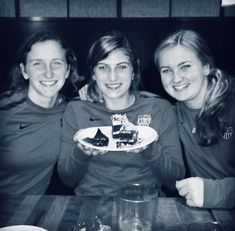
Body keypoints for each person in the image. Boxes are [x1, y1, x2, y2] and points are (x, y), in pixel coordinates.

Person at [57, 31, 185, 196]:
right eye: (103, 68)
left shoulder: (160, 109)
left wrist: (148, 147)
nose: (112, 77)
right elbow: (67, 180)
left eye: (122, 67)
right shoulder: (76, 109)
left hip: (145, 202)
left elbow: (175, 181)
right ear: (93, 74)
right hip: (91, 202)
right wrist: (82, 152)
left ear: (133, 71)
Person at [154, 29, 235, 209]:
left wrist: (213, 192)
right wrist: (99, 93)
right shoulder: (172, 113)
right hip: (204, 214)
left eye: (185, 66)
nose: (176, 78)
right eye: (166, 70)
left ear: (206, 67)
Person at [0, 30, 81, 194]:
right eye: (37, 63)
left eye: (56, 63)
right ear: (24, 70)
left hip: (32, 212)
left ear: (67, 70)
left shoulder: (70, 112)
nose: (48, 73)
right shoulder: (5, 110)